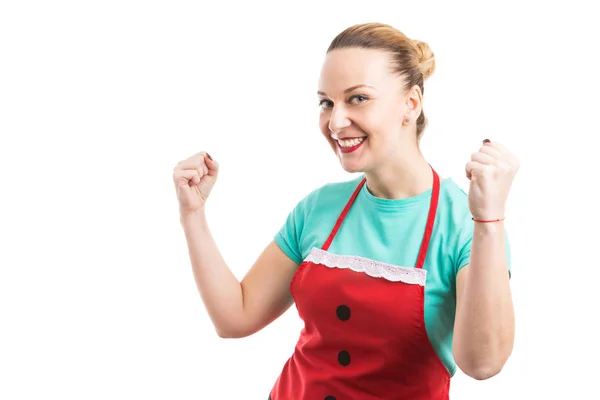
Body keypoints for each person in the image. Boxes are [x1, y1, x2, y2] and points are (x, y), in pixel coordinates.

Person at [172, 22, 519, 400]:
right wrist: (193, 214)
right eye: (326, 102)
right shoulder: (319, 207)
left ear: (411, 104)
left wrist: (489, 220)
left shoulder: (465, 224)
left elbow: (482, 364)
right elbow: (235, 317)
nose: (335, 122)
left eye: (357, 98)